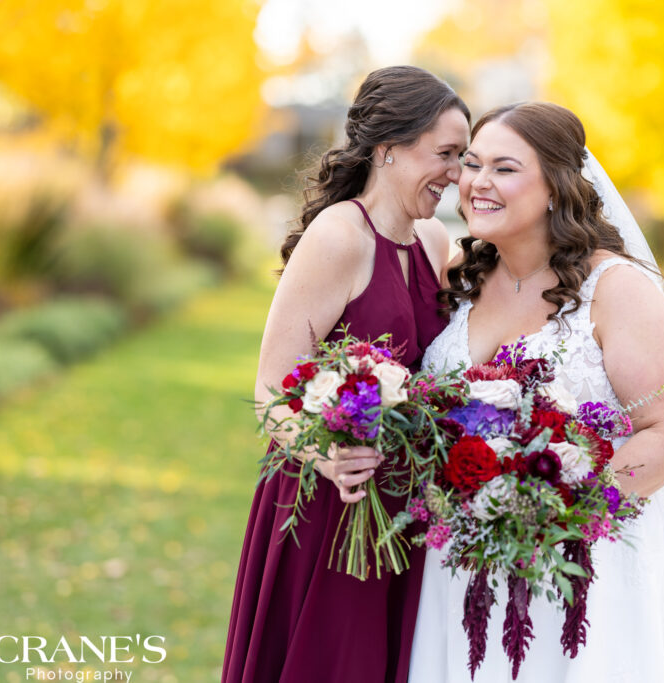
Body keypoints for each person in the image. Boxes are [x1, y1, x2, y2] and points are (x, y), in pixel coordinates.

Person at [409, 102, 664, 682]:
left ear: (555, 187)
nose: (477, 182)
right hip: (468, 557)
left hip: (586, 563)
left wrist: (558, 522)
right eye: (471, 164)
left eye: (504, 168)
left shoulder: (615, 287)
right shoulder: (461, 280)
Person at [221, 66, 470, 683]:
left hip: (402, 515)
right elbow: (270, 390)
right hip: (329, 509)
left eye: (463, 156)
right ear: (388, 149)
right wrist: (327, 457)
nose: (458, 174)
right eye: (445, 154)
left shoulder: (435, 241)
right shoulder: (340, 237)